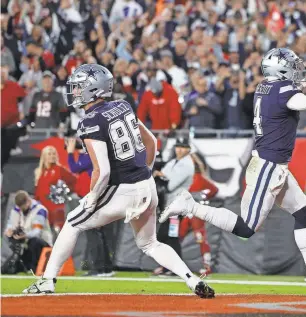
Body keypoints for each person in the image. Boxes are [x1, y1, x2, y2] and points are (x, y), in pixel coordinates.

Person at [159, 48, 306, 292]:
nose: (296, 69)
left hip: (275, 165)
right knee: (246, 228)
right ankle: (190, 206)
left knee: (303, 212)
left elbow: (287, 96)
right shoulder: (282, 91)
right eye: (292, 66)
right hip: (268, 168)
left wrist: (305, 81)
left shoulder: (264, 87)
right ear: (280, 70)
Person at [23, 64, 214, 298]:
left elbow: (102, 172)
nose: (75, 92)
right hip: (146, 186)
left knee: (73, 222)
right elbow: (152, 141)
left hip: (121, 189)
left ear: (93, 89)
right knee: (150, 244)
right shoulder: (123, 106)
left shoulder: (90, 121)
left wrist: (92, 198)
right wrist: (145, 172)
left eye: (79, 87)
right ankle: (192, 280)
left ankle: (47, 281)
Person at [66, 137, 114, 277]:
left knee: (93, 233)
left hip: (91, 198)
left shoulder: (90, 157)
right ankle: (106, 268)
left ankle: (98, 268)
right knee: (99, 233)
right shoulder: (95, 156)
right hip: (94, 197)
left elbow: (74, 167)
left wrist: (70, 153)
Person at [152, 137, 195, 276]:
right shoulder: (172, 162)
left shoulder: (187, 164)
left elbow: (170, 185)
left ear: (188, 149)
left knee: (168, 235)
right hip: (169, 205)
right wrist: (161, 175)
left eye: (183, 147)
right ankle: (169, 267)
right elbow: (163, 176)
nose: (179, 149)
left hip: (178, 205)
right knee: (168, 236)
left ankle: (173, 268)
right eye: (178, 146)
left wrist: (160, 175)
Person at [2, 191, 53, 273]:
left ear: (28, 201)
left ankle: (34, 267)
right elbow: (11, 224)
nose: (21, 210)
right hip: (26, 243)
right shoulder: (17, 209)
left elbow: (37, 232)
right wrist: (9, 231)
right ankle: (22, 264)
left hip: (42, 245)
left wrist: (24, 236)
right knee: (5, 270)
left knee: (34, 241)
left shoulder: (40, 210)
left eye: (23, 207)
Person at [34, 146, 77, 230]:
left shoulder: (60, 169)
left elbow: (74, 181)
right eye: (49, 154)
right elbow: (38, 191)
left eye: (54, 154)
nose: (52, 156)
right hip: (43, 207)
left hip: (57, 208)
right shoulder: (40, 172)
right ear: (44, 156)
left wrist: (65, 192)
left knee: (58, 232)